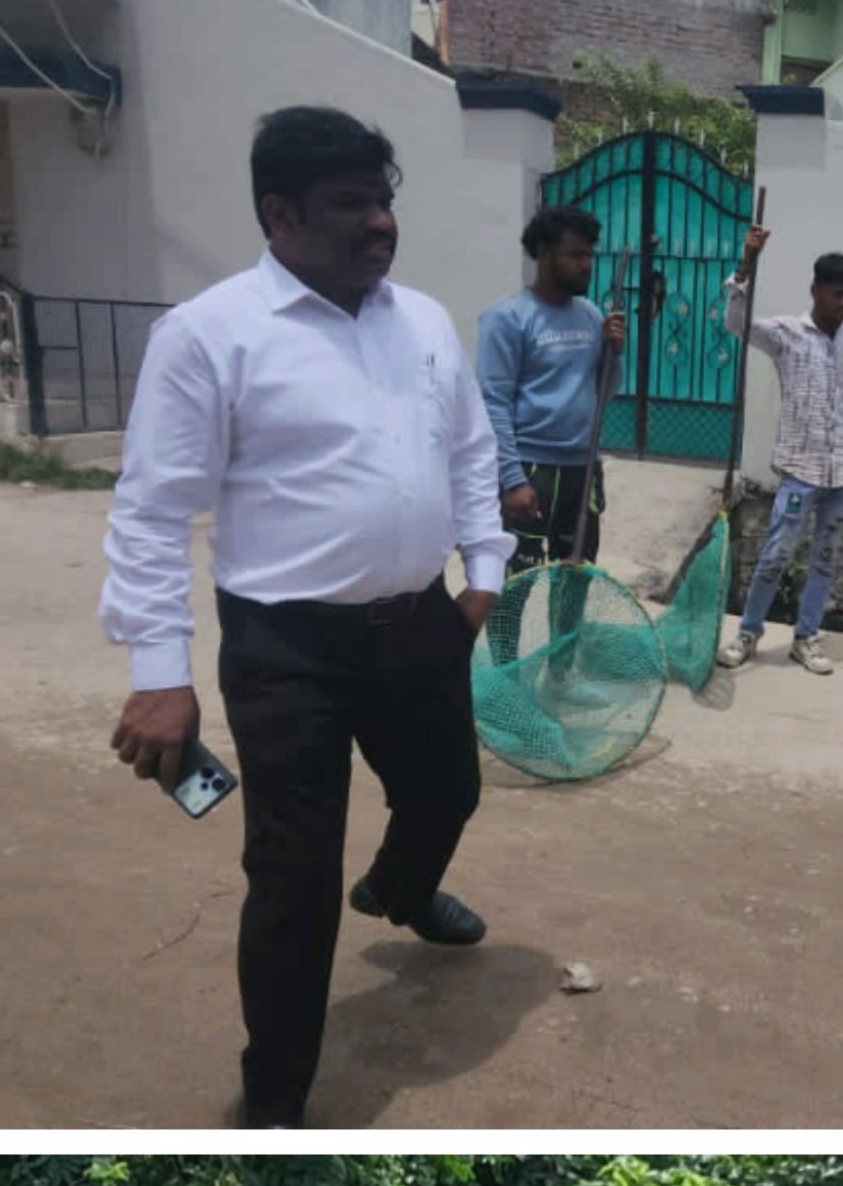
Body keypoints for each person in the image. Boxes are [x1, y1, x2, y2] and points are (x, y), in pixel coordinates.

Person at [102, 106, 510, 1130]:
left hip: (419, 623)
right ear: (280, 216)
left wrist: (486, 568)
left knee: (449, 791)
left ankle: (405, 892)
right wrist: (161, 672)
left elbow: (469, 447)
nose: (380, 223)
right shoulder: (210, 335)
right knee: (291, 878)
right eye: (350, 204)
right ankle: (275, 1098)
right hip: (289, 649)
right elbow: (152, 512)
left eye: (385, 201)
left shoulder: (420, 319)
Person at [717, 227, 843, 677]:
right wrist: (747, 261)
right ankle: (749, 632)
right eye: (837, 294)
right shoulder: (786, 334)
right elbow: (736, 324)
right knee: (776, 554)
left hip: (842, 469)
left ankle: (805, 637)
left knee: (825, 557)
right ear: (816, 290)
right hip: (800, 468)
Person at [477, 202, 627, 572]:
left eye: (590, 254)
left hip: (582, 469)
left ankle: (567, 634)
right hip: (531, 470)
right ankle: (506, 635)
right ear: (544, 252)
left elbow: (604, 393)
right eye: (575, 254)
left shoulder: (591, 315)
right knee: (514, 585)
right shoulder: (507, 318)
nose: (586, 264)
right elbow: (493, 403)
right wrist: (512, 479)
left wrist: (615, 353)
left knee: (575, 580)